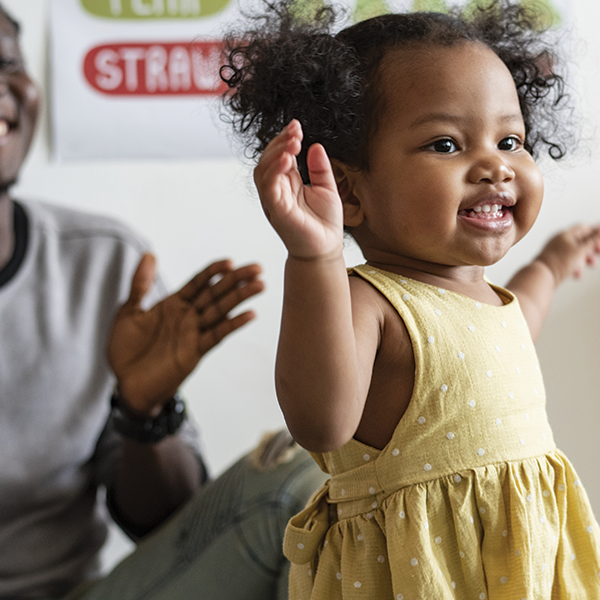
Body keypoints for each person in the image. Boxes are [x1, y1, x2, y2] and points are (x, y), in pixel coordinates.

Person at [220, 0, 600, 597]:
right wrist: (315, 256)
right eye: (446, 145)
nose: (495, 168)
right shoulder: (371, 302)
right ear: (348, 189)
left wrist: (551, 265)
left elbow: (517, 323)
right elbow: (321, 422)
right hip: (421, 577)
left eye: (510, 139)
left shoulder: (486, 302)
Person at [0, 4, 327, 600]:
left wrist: (143, 413)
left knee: (301, 486)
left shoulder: (102, 264)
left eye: (7, 66)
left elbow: (173, 527)